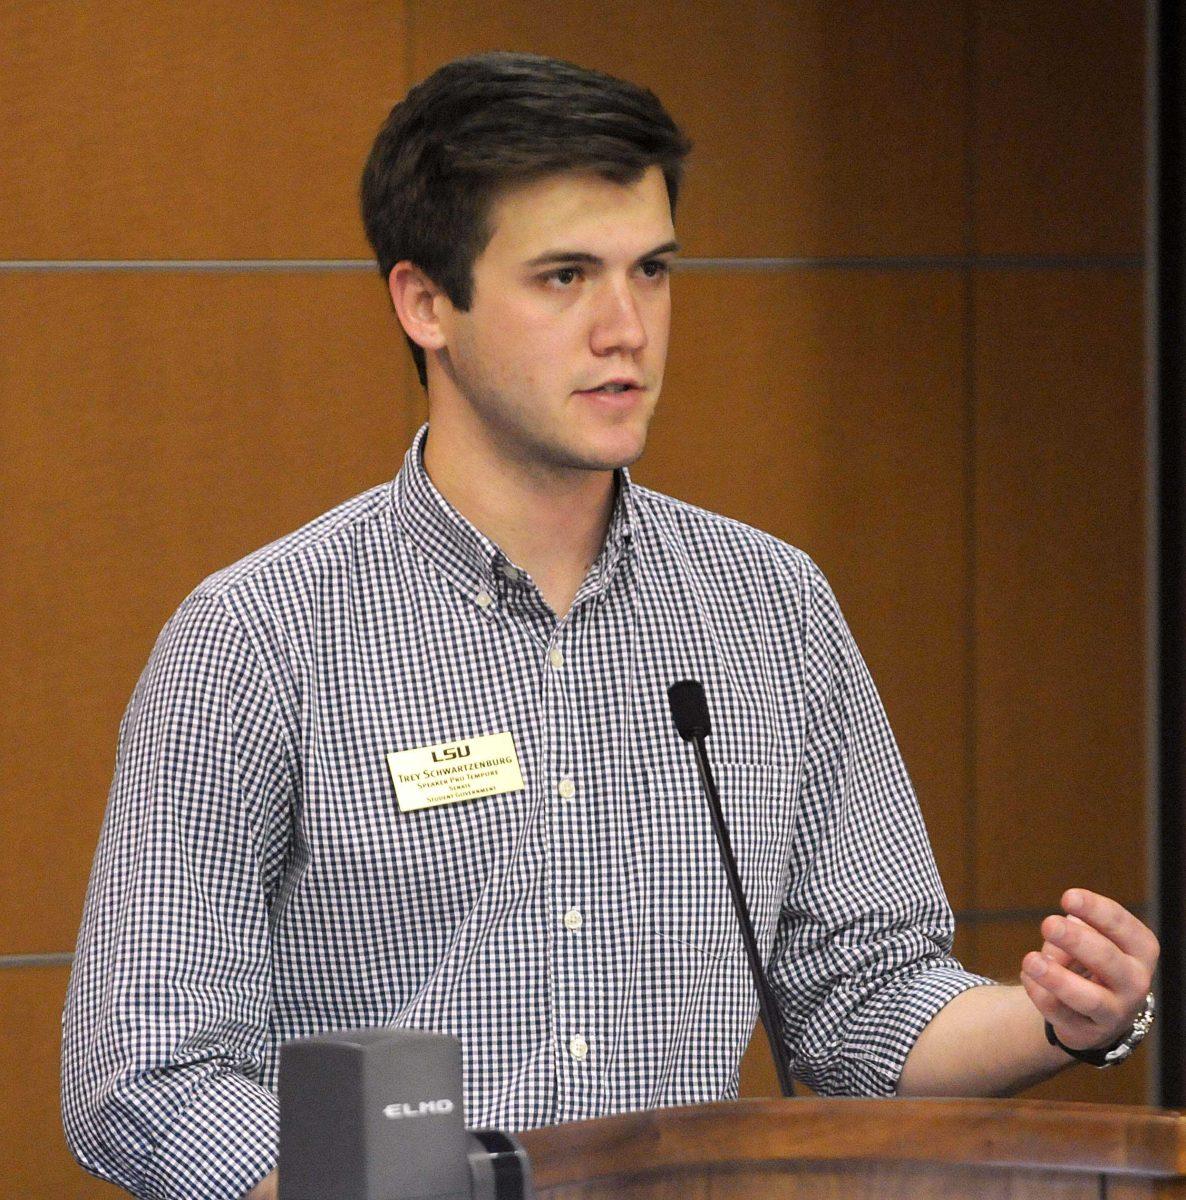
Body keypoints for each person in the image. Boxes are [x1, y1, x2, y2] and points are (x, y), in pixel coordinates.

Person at [62, 52, 1159, 1200]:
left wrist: (1059, 1022)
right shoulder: (258, 637)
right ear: (425, 301)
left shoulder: (771, 607)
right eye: (564, 277)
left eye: (652, 271)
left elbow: (861, 1003)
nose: (625, 328)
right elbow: (146, 1070)